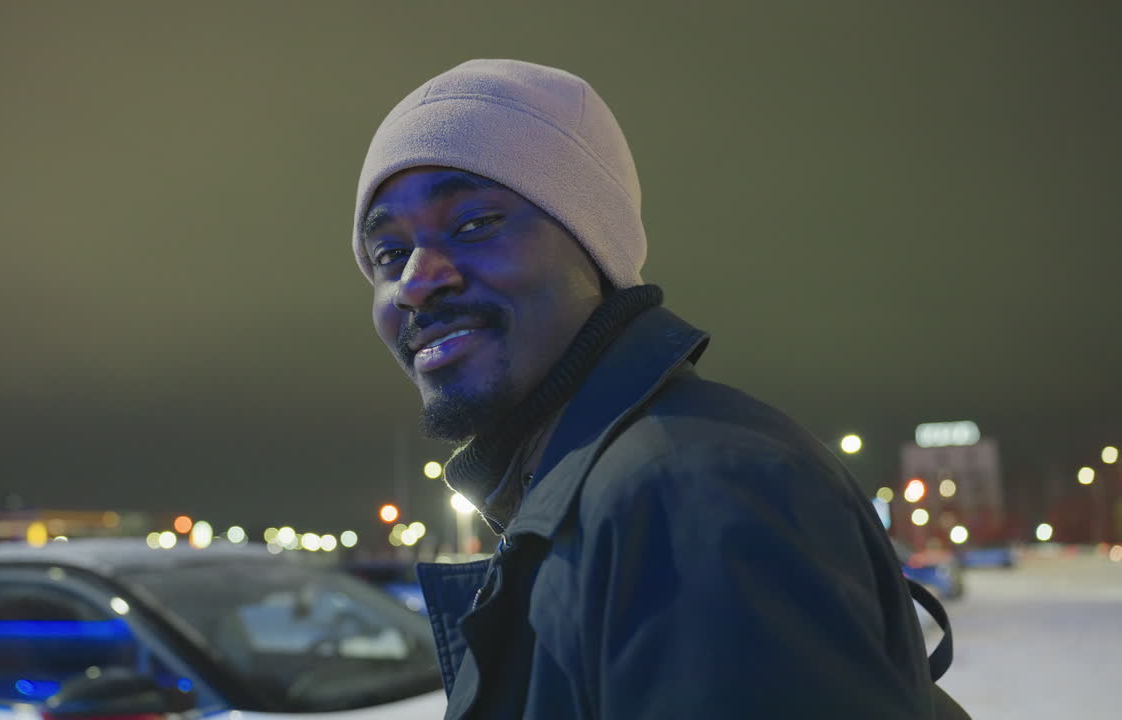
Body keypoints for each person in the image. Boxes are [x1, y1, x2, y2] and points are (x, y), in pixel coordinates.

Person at [350, 59, 969, 719]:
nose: (416, 283)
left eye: (474, 224)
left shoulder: (689, 492)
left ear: (596, 248)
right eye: (388, 255)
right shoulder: (590, 501)